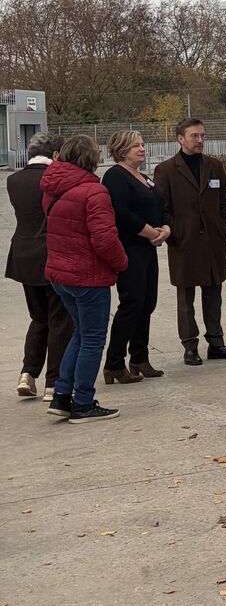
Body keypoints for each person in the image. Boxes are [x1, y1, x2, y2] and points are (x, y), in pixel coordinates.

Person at [41, 135, 128, 422]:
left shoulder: (52, 187)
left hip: (60, 273)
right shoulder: (94, 191)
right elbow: (105, 239)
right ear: (91, 159)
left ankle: (62, 395)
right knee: (92, 339)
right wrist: (122, 262)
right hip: (88, 276)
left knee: (80, 333)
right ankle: (83, 402)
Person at [154, 118, 226, 366]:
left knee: (214, 292)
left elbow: (225, 200)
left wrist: (224, 226)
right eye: (194, 136)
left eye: (202, 135)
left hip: (213, 241)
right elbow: (161, 207)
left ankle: (216, 342)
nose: (200, 140)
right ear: (180, 139)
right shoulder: (166, 170)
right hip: (184, 241)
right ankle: (190, 346)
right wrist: (174, 232)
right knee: (186, 297)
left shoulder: (214, 166)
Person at [6, 132, 72, 400]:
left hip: (23, 254)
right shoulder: (55, 180)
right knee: (60, 319)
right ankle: (53, 382)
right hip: (52, 253)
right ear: (55, 154)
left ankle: (27, 373)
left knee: (38, 316)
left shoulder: (13, 180)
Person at [102, 130, 170, 383]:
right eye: (135, 146)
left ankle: (139, 358)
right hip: (130, 247)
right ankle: (114, 363)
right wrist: (149, 231)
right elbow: (120, 213)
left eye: (142, 144)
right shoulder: (115, 176)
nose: (142, 149)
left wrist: (166, 228)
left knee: (147, 302)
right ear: (121, 150)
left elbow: (161, 205)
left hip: (148, 247)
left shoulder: (144, 177)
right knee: (132, 303)